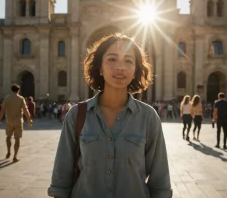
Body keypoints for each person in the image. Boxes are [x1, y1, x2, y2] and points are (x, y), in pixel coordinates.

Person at [48, 33, 172, 198]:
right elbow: (61, 178)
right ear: (99, 67)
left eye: (128, 60)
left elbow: (160, 181)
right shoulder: (76, 115)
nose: (120, 67)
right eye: (112, 59)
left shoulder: (148, 117)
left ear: (135, 70)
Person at [0, 84, 33, 162]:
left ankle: (8, 151)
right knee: (17, 139)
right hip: (18, 121)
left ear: (11, 90)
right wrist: (29, 120)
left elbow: (2, 110)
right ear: (18, 90)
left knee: (8, 137)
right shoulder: (21, 98)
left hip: (9, 120)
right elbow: (26, 110)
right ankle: (15, 156)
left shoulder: (7, 98)